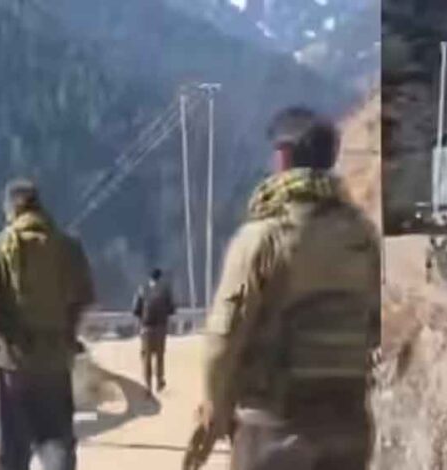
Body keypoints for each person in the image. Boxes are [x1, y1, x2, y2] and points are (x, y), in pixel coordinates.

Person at [193, 107, 380, 470]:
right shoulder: (362, 235)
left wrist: (214, 411)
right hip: (349, 422)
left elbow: (223, 337)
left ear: (283, 157)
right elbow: (375, 325)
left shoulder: (263, 237)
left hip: (276, 424)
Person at [0, 178, 95, 470]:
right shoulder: (68, 246)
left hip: (12, 365)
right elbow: (85, 297)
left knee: (12, 450)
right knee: (56, 443)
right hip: (55, 363)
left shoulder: (0, 248)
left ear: (11, 209)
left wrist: (2, 338)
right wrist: (68, 333)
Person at [132, 268, 176, 397]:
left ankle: (147, 385)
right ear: (160, 278)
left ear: (149, 278)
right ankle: (159, 381)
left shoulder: (142, 290)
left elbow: (135, 310)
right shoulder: (165, 291)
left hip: (146, 329)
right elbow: (172, 309)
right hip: (160, 328)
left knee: (146, 358)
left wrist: (141, 319)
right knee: (160, 356)